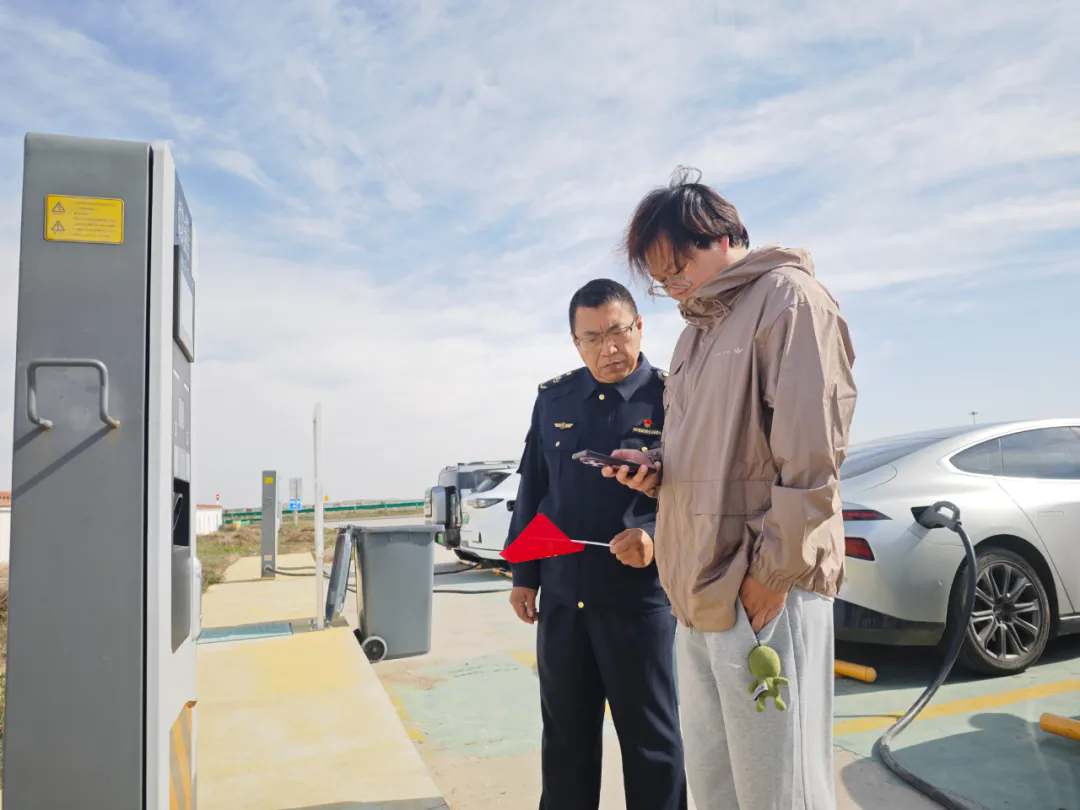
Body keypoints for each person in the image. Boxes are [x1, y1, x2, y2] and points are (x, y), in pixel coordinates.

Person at [605, 167, 857, 810]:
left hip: (763, 588)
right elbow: (720, 453)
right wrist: (655, 469)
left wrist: (772, 575)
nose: (672, 286)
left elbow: (812, 454)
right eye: (660, 280)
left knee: (779, 790)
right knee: (718, 788)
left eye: (677, 268)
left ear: (721, 236)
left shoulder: (789, 300)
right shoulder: (696, 333)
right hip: (698, 590)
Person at [505, 278, 687, 810]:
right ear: (575, 342)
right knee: (565, 739)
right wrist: (524, 576)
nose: (608, 348)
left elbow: (698, 492)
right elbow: (535, 489)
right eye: (592, 338)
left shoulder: (675, 396)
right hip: (564, 600)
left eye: (617, 332)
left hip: (638, 601)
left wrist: (654, 536)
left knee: (652, 742)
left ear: (639, 327)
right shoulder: (554, 398)